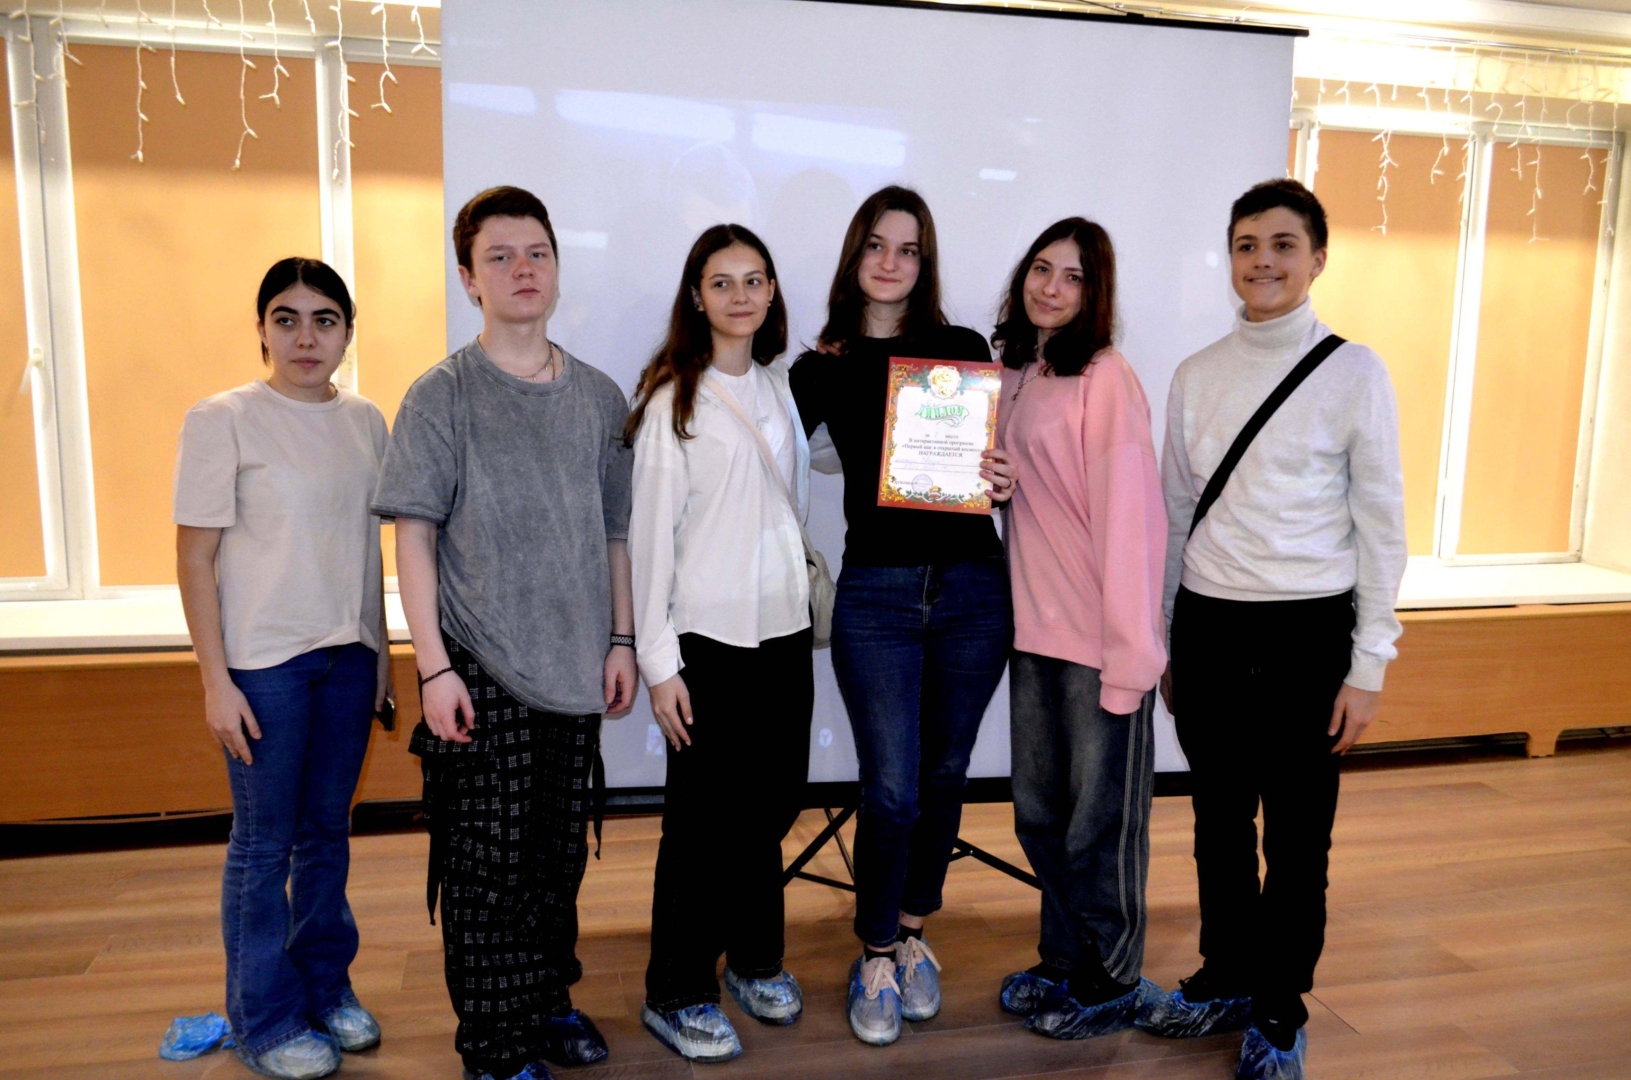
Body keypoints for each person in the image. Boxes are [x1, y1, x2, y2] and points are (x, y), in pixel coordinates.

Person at [1137, 179, 1407, 1080]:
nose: (1262, 261)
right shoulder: (1195, 374)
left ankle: (1280, 1009)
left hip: (1308, 635)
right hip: (1208, 626)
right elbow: (1176, 516)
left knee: (1296, 840)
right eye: (1246, 245)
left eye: (1283, 245)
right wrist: (1168, 637)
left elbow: (1381, 525)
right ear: (1230, 259)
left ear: (1316, 259)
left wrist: (1367, 665)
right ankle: (1226, 974)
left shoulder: (1355, 372)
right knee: (1216, 824)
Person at [371, 186, 636, 1080]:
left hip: (577, 668)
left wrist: (621, 641)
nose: (522, 270)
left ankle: (544, 997)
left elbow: (614, 534)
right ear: (468, 279)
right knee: (486, 870)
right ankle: (492, 1045)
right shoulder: (441, 395)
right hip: (478, 666)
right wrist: (432, 668)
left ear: (556, 268)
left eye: (537, 253)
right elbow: (413, 536)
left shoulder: (598, 397)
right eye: (500, 257)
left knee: (557, 860)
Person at [788, 185, 1018, 1047]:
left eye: (908, 249)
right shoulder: (818, 368)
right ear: (854, 255)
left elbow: (993, 461)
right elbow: (759, 451)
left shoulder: (959, 350)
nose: (891, 262)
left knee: (945, 775)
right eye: (876, 246)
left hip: (971, 588)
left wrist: (1001, 473)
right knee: (890, 787)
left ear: (925, 263)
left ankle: (914, 934)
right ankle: (875, 951)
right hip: (876, 594)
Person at [174, 257, 389, 1080]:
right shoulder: (222, 418)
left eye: (324, 319)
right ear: (261, 329)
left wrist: (381, 658)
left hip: (347, 660)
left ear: (347, 333)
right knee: (264, 845)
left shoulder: (366, 421)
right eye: (286, 319)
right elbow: (195, 559)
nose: (306, 337)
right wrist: (214, 681)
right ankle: (263, 1020)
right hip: (262, 667)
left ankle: (325, 988)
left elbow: (366, 551)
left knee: (327, 833)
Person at [626, 224, 815, 1062]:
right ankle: (675, 990)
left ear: (771, 292)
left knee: (769, 806)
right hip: (706, 640)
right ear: (696, 298)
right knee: (701, 824)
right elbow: (649, 542)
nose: (741, 296)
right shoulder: (674, 401)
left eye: (754, 279)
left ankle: (753, 958)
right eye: (722, 282)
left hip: (784, 632)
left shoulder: (778, 386)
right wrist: (659, 664)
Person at [990, 219, 1167, 1040]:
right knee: (1041, 816)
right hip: (1033, 633)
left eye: (1073, 276)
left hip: (1100, 643)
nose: (1051, 288)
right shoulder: (1017, 373)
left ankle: (1113, 975)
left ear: (1095, 293)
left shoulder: (1106, 377)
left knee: (1101, 824)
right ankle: (1063, 957)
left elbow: (1132, 524)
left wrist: (1131, 656)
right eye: (1041, 269)